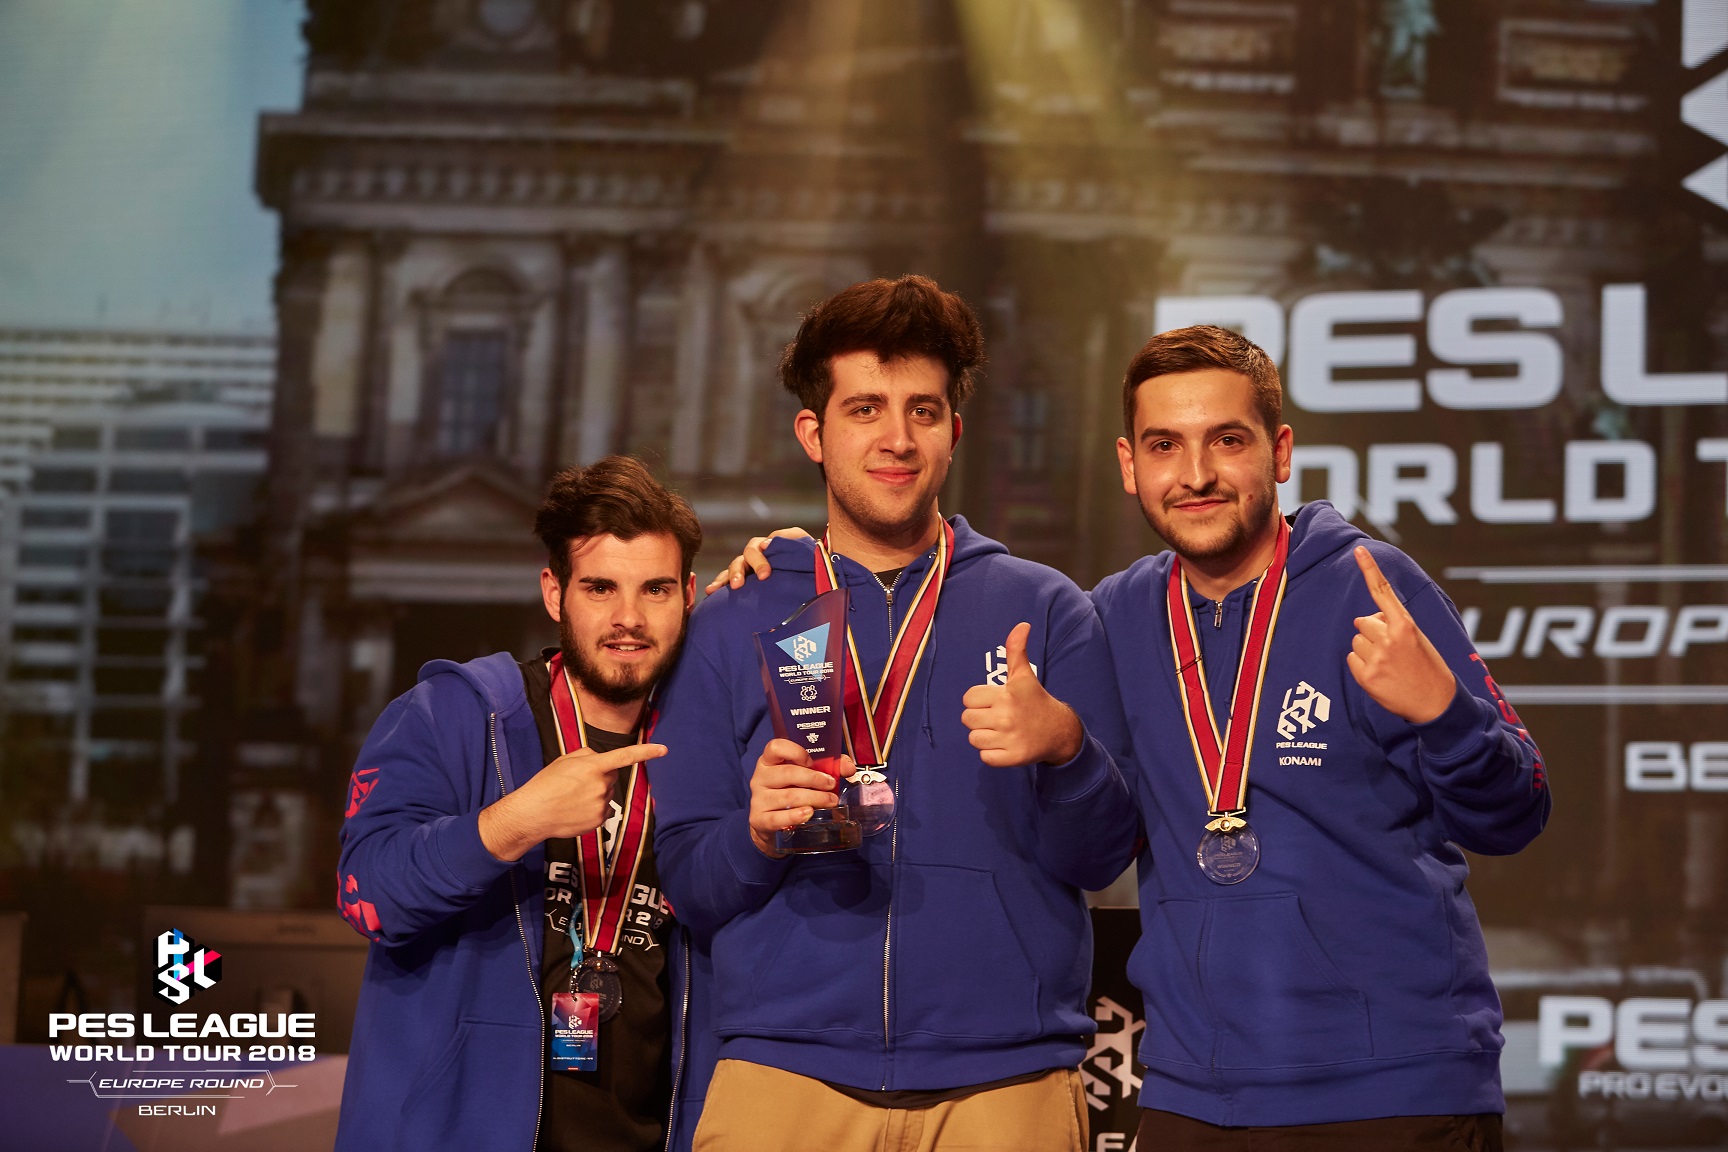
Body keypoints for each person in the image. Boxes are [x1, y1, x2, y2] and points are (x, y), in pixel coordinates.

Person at [646, 274, 1138, 1152]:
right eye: (865, 409)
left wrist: (1066, 751)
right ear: (814, 433)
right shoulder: (733, 619)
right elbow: (688, 883)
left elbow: (1101, 858)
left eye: (923, 410)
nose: (898, 438)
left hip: (1007, 1081)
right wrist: (757, 836)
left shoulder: (1047, 609)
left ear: (954, 431)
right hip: (784, 1079)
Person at [1091, 325, 1550, 1150]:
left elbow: (1516, 813)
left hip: (1394, 1086)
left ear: (1279, 451)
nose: (1195, 474)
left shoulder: (1373, 585)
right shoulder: (1115, 615)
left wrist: (1444, 713)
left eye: (1227, 440)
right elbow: (1090, 845)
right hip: (1194, 1094)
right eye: (1165, 445)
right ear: (1130, 465)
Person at [334, 455, 714, 1152]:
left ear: (689, 595)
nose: (628, 618)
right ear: (554, 593)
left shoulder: (710, 745)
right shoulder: (451, 716)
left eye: (655, 589)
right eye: (600, 588)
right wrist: (514, 823)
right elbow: (367, 895)